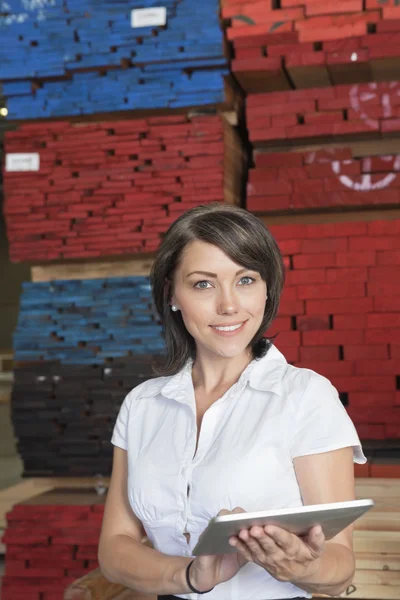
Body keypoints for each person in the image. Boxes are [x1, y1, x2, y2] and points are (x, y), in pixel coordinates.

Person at [98, 202, 367, 600]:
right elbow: (115, 547)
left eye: (246, 280)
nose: (229, 305)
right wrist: (193, 575)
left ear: (266, 288)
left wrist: (303, 566)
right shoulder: (143, 405)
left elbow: (340, 566)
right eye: (203, 284)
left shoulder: (305, 397)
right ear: (173, 293)